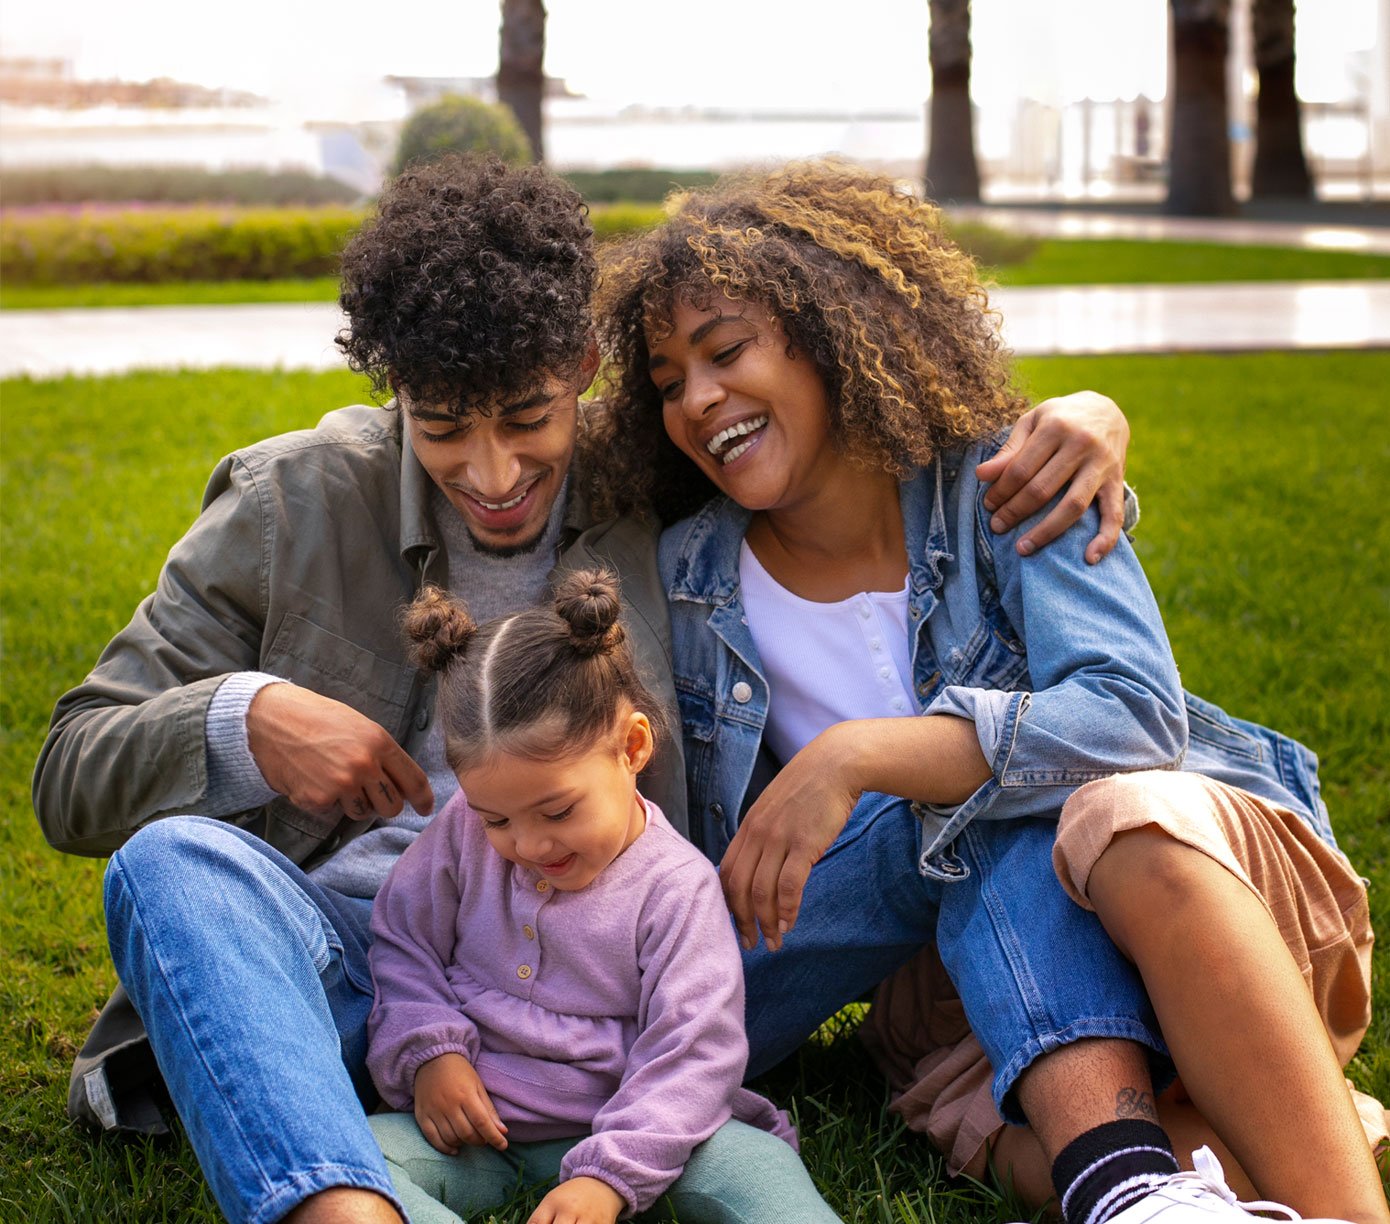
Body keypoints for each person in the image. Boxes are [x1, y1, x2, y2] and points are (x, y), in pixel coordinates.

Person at [32, 153, 1134, 1223]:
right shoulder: (293, 504)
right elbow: (70, 770)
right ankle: (343, 1206)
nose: (493, 473)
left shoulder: (656, 475)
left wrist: (1082, 413)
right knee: (168, 865)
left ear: (584, 372)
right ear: (393, 395)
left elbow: (836, 427)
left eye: (525, 416)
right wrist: (245, 718)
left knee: (935, 796)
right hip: (343, 974)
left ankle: (1123, 1166)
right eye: (443, 427)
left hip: (632, 980)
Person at [591, 160, 1388, 1224]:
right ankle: (1145, 1185)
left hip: (1186, 888)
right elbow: (503, 471)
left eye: (725, 351)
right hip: (968, 981)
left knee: (1051, 802)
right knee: (1213, 1163)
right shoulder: (687, 576)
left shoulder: (1009, 479)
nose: (695, 399)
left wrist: (860, 754)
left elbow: (1132, 717)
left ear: (831, 330)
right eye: (666, 381)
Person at [366, 570, 837, 1224]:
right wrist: (429, 1054)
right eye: (497, 819)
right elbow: (402, 944)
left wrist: (608, 1176)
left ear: (632, 747)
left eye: (556, 811)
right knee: (356, 1165)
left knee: (758, 1169)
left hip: (642, 1134)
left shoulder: (674, 889)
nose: (526, 844)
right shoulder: (462, 834)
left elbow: (693, 1052)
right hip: (482, 1135)